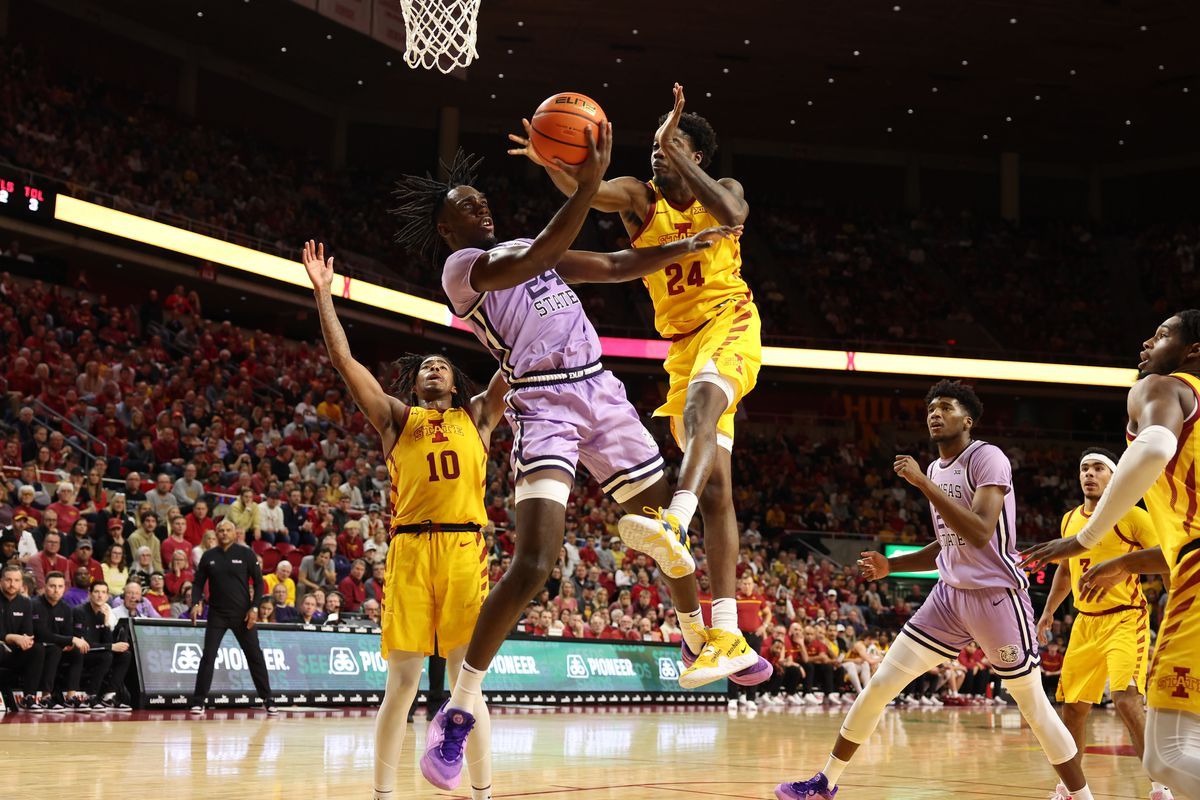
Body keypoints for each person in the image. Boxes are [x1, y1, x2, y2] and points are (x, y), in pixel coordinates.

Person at [390, 135, 750, 791]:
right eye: (470, 205)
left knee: (669, 519)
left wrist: (683, 249)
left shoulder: (534, 253)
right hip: (543, 404)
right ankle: (459, 709)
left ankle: (698, 636)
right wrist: (589, 184)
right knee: (534, 562)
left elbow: (613, 265)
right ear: (449, 227)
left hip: (601, 392)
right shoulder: (464, 270)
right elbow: (544, 252)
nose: (485, 208)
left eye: (485, 199)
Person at [513, 83, 765, 692]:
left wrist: (677, 154)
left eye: (672, 143)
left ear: (696, 155)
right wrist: (556, 160)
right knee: (719, 493)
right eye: (654, 143)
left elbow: (734, 216)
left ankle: (673, 521)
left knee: (705, 413)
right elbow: (587, 192)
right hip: (681, 348)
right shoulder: (638, 198)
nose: (656, 151)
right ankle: (727, 635)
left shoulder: (723, 194)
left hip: (731, 322)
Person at [776, 380, 1094, 800]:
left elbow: (980, 531)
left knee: (1032, 704)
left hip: (996, 596)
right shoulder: (936, 470)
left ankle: (1081, 796)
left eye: (945, 406)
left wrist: (924, 486)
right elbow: (946, 542)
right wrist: (893, 565)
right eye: (930, 408)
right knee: (881, 684)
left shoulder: (987, 457)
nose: (934, 413)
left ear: (968, 419)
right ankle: (825, 782)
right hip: (948, 597)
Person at [305, 240, 511, 800]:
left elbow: (514, 359)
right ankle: (382, 795)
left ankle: (483, 793)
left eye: (443, 366)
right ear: (415, 383)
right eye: (426, 366)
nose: (435, 370)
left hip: (467, 553)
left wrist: (515, 289)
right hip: (411, 552)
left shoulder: (480, 417)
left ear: (455, 381)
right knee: (401, 684)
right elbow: (345, 363)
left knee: (470, 688)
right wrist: (324, 295)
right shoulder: (396, 420)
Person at [1022, 311, 1200, 799]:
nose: (1147, 341)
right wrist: (1118, 562)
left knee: (1167, 755)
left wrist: (1085, 540)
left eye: (1163, 334)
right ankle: (1072, 789)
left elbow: (1153, 447)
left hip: (1158, 597)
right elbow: (1167, 552)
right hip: (1095, 614)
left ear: (1194, 351)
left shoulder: (1161, 386)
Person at [1034, 447, 1172, 800]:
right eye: (1084, 468)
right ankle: (1070, 789)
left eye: (1098, 468)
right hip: (1084, 623)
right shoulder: (1069, 520)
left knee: (1127, 700)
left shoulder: (1134, 516)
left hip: (1126, 618)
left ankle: (1160, 788)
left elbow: (1168, 560)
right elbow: (1065, 570)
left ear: (1114, 476)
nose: (1089, 474)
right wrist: (1049, 610)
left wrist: (1124, 568)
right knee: (1073, 708)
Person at [187, 518, 275, 715]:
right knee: (208, 657)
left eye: (228, 530)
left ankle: (268, 699)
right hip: (217, 614)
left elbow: (260, 583)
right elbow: (198, 583)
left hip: (243, 614)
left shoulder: (246, 554)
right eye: (220, 530)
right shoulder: (209, 556)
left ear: (235, 533)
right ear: (216, 534)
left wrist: (254, 608)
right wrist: (195, 602)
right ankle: (198, 701)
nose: (224, 533)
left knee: (255, 656)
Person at [68, 580, 133, 711]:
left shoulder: (104, 613)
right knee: (107, 656)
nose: (100, 595)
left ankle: (109, 695)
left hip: (99, 652)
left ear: (108, 596)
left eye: (103, 592)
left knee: (125, 655)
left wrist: (106, 623)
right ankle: (91, 696)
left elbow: (106, 640)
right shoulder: (79, 611)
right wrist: (110, 647)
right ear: (90, 594)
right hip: (81, 653)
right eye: (96, 592)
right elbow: (83, 643)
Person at [33, 571, 88, 710]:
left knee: (77, 652)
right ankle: (45, 697)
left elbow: (68, 633)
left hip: (57, 647)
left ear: (65, 588)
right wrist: (69, 639)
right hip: (38, 647)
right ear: (45, 586)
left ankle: (71, 697)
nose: (56, 590)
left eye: (60, 586)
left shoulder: (66, 608)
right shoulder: (35, 604)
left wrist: (69, 642)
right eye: (52, 586)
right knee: (55, 650)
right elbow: (41, 634)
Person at [0, 563, 46, 711]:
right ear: (1, 580)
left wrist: (25, 640)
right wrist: (12, 637)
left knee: (37, 649)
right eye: (8, 580)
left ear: (22, 583)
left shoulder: (26, 602)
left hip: (15, 651)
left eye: (16, 580)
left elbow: (28, 631)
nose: (12, 584)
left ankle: (29, 697)